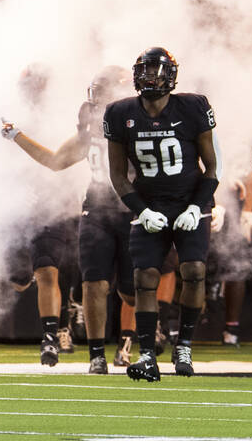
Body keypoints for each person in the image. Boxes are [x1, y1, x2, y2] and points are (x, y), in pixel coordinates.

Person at [2, 65, 137, 374]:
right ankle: (97, 356)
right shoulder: (92, 130)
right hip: (98, 210)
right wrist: (17, 136)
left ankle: (141, 343)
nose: (98, 102)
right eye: (98, 95)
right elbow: (55, 160)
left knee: (134, 289)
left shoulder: (143, 128)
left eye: (106, 95)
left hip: (134, 211)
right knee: (93, 284)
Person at [104, 47, 218, 382]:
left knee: (194, 269)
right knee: (144, 278)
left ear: (171, 76)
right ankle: (148, 354)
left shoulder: (194, 106)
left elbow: (212, 166)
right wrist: (141, 210)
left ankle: (183, 344)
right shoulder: (119, 112)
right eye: (146, 71)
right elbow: (117, 175)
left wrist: (198, 206)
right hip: (149, 203)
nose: (151, 77)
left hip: (189, 201)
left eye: (158, 71)